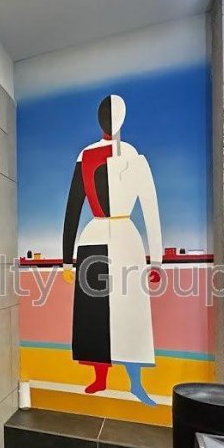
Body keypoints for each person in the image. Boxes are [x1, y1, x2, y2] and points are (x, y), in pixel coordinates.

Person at [61, 95, 162, 405]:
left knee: (130, 314)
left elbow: (150, 208)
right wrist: (67, 260)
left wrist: (157, 259)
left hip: (126, 239)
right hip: (93, 237)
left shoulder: (132, 156)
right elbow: (73, 207)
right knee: (93, 314)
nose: (109, 119)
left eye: (114, 113)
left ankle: (135, 383)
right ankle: (100, 376)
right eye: (105, 113)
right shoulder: (86, 155)